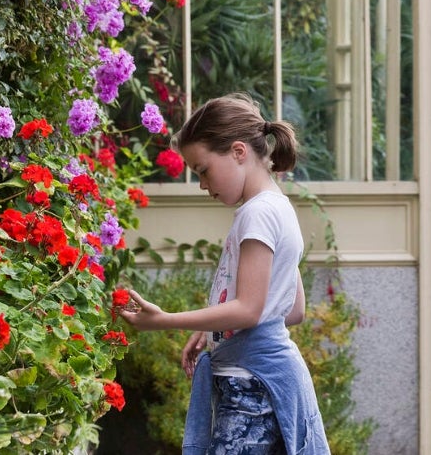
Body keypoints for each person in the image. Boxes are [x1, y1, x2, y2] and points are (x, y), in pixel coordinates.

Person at [120, 93, 329, 455]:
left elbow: (249, 310)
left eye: (203, 170)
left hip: (250, 387)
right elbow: (291, 310)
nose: (203, 184)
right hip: (269, 383)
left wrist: (166, 320)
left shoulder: (257, 215)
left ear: (238, 152)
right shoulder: (279, 207)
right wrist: (210, 328)